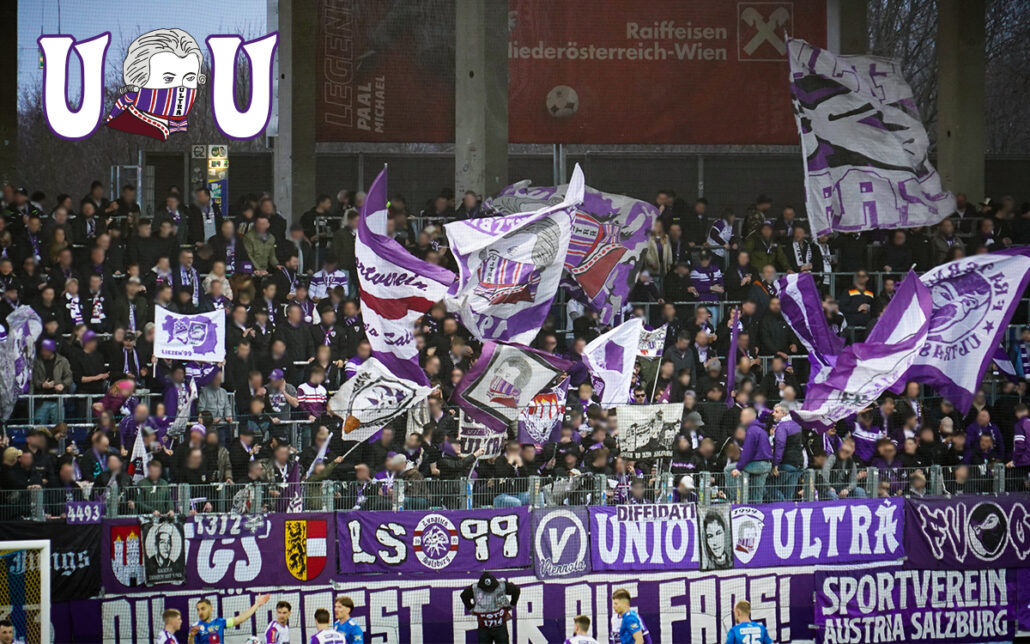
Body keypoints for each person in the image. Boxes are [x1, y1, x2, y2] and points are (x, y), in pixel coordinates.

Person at [460, 572, 521, 644]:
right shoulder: (474, 588)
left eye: (491, 589)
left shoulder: (502, 586)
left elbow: (516, 590)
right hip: (484, 628)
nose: (489, 591)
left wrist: (512, 604)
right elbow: (463, 595)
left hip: (500, 627)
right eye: (486, 589)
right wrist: (470, 608)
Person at [189, 594, 270, 644]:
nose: (200, 612)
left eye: (203, 609)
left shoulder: (219, 622)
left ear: (210, 608)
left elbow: (239, 619)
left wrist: (257, 604)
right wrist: (191, 636)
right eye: (198, 610)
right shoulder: (195, 627)